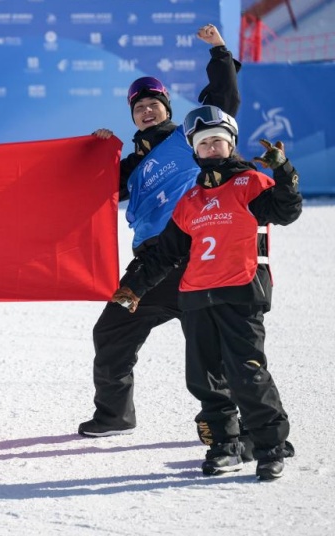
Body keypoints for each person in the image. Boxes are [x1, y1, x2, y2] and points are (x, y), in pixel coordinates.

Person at [111, 105, 301, 480]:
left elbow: (284, 210)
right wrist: (133, 288)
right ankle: (225, 445)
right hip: (196, 296)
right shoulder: (190, 201)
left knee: (247, 373)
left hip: (241, 290)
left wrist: (283, 171)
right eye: (204, 143)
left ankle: (270, 447)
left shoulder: (249, 182)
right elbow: (166, 254)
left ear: (230, 146)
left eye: (218, 141)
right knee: (204, 378)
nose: (212, 148)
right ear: (195, 151)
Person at [79, 24, 242, 438]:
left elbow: (223, 101)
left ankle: (230, 428)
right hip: (149, 269)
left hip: (194, 259)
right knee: (112, 329)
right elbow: (81, 191)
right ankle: (115, 415)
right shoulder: (130, 166)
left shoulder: (188, 138)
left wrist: (219, 52)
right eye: (139, 108)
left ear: (167, 107)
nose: (147, 111)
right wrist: (97, 151)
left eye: (154, 103)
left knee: (209, 348)